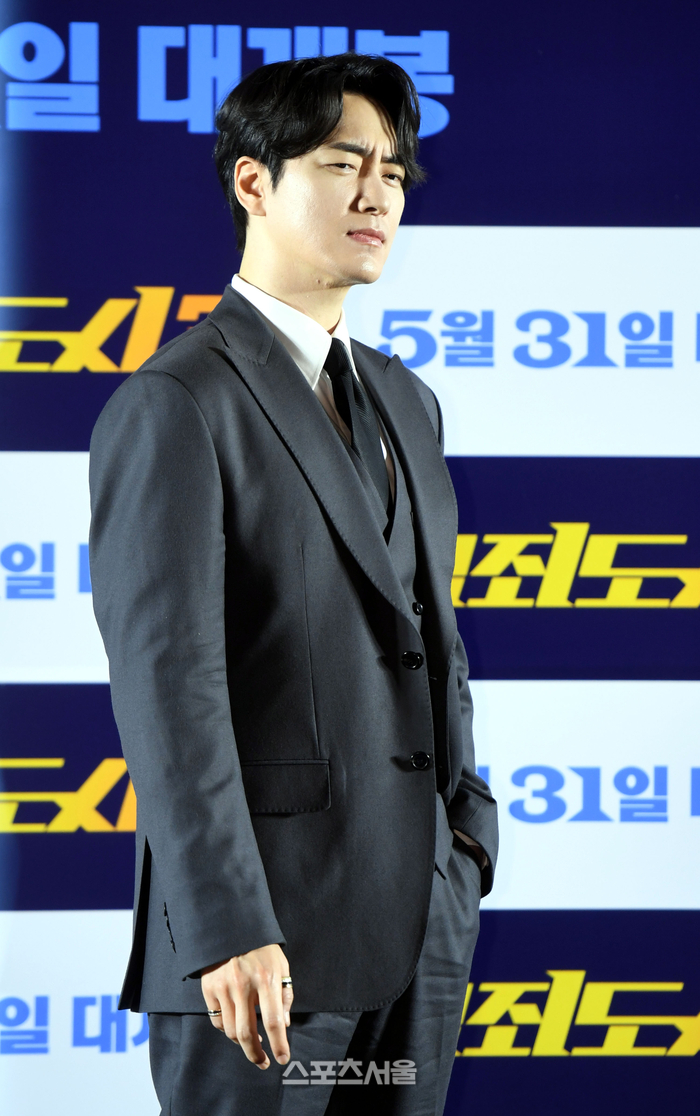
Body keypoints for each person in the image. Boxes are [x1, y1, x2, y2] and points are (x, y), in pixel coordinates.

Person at [89, 52, 498, 1116]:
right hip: (262, 947)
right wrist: (224, 924)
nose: (378, 194)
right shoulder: (179, 401)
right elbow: (169, 690)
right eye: (342, 163)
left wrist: (467, 838)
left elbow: (433, 640)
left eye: (394, 172)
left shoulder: (407, 401)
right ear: (253, 183)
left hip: (419, 925)